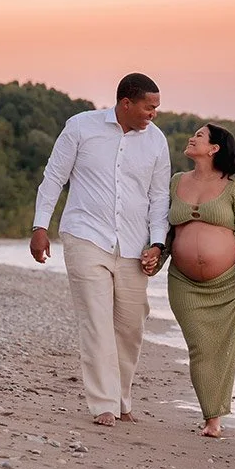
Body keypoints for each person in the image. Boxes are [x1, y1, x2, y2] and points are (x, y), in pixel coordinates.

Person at [30, 72, 170, 428]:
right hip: (85, 236)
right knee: (96, 320)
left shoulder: (156, 142)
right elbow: (54, 177)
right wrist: (40, 227)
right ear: (126, 103)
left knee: (130, 326)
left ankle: (122, 398)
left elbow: (158, 197)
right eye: (148, 106)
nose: (154, 113)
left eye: (156, 107)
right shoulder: (80, 127)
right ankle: (103, 403)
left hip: (134, 245)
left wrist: (157, 242)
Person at [166, 124, 235, 438]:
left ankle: (213, 420)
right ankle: (211, 413)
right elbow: (167, 230)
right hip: (183, 282)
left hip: (225, 283)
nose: (192, 138)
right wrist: (156, 255)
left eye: (200, 136)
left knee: (221, 348)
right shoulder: (177, 181)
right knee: (200, 346)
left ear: (214, 148)